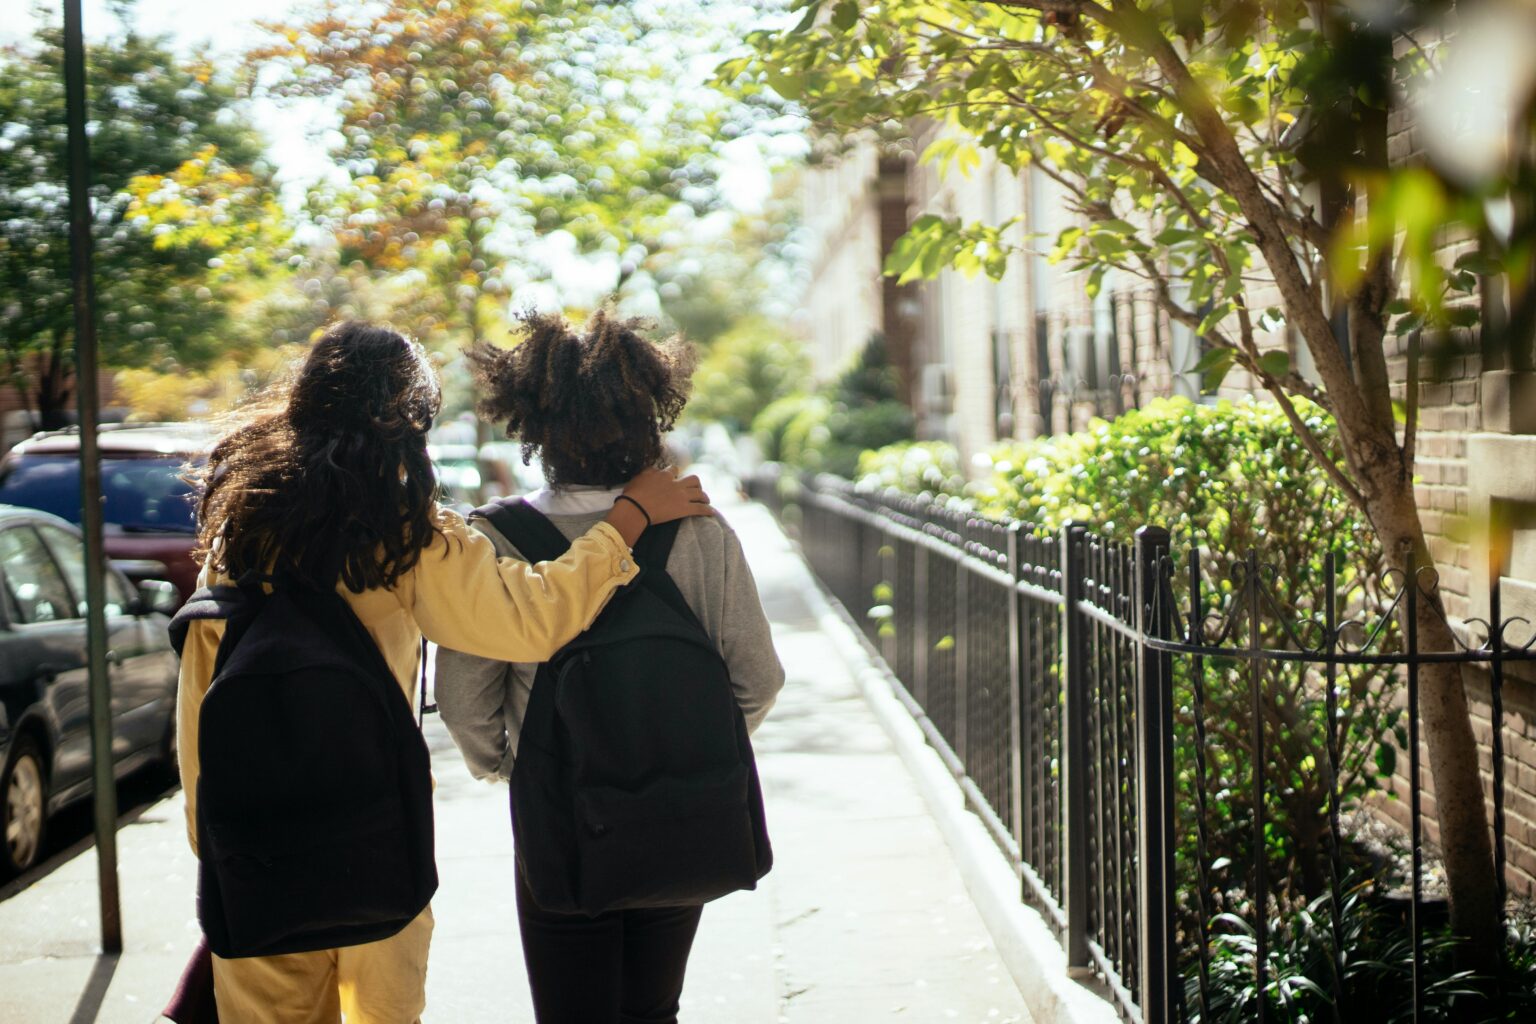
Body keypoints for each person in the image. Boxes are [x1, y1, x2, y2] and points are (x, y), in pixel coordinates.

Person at [176, 321, 714, 1024]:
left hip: (251, 841)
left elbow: (200, 694)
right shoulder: (399, 536)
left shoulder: (238, 523)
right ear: (409, 418)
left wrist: (212, 842)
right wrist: (629, 520)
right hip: (371, 835)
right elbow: (532, 617)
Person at [436, 311, 784, 1024]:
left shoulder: (496, 538)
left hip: (560, 814)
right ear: (648, 414)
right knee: (655, 1010)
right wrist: (691, 745)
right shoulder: (699, 528)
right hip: (680, 804)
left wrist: (512, 765)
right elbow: (758, 677)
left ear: (533, 425)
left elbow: (466, 698)